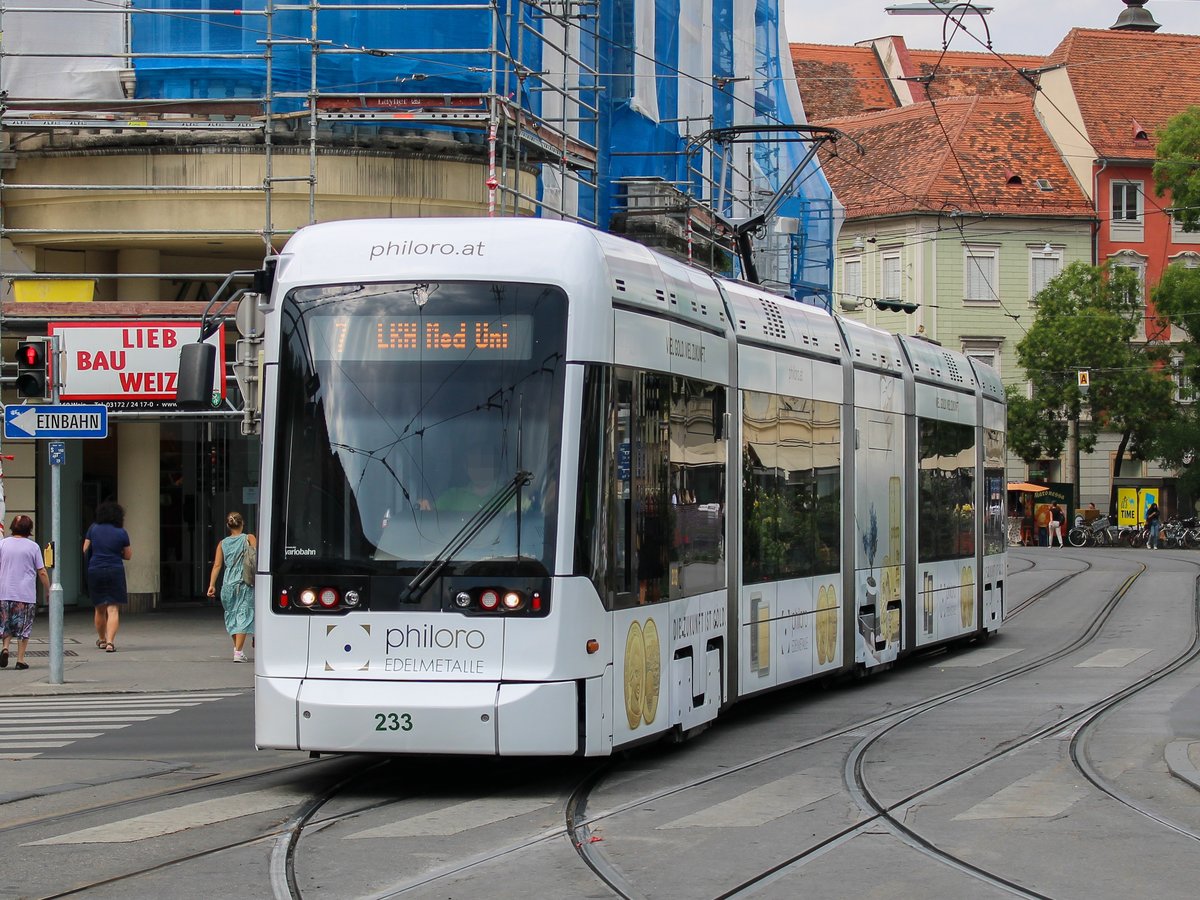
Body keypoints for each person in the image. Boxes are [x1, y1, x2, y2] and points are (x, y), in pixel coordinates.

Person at [0, 515, 51, 671]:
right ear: (29, 528)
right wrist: (49, 590)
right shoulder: (33, 546)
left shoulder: (2, 544)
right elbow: (41, 571)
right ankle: (20, 660)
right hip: (25, 595)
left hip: (4, 592)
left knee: (6, 623)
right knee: (24, 627)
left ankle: (5, 648)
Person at [207, 511, 256, 662]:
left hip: (227, 583)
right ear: (242, 524)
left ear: (228, 526)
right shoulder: (249, 538)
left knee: (232, 615)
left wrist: (212, 585)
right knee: (243, 614)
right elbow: (257, 557)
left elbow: (217, 565)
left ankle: (237, 650)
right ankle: (238, 652)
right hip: (244, 582)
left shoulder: (222, 543)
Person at [82, 501, 131, 652]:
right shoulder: (121, 532)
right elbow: (128, 555)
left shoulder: (93, 528)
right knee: (113, 608)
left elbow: (85, 549)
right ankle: (110, 642)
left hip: (95, 569)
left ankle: (102, 639)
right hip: (114, 569)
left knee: (99, 609)